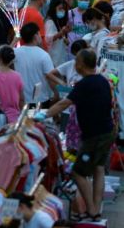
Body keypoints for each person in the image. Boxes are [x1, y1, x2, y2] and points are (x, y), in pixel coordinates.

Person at [35, 49, 115, 222]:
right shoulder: (103, 81)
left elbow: (64, 103)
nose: (74, 65)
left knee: (78, 172)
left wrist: (43, 115)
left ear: (82, 64)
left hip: (93, 136)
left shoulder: (84, 85)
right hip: (107, 132)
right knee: (98, 169)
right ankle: (96, 209)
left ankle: (92, 212)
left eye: (76, 62)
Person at [14, 23, 55, 105]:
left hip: (21, 100)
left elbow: (2, 55)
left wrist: (14, 41)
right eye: (39, 33)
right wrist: (56, 95)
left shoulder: (14, 53)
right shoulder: (43, 55)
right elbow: (51, 77)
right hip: (41, 100)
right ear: (35, 35)